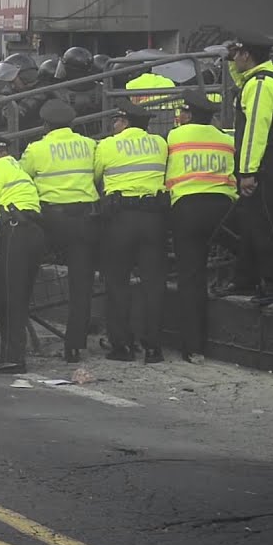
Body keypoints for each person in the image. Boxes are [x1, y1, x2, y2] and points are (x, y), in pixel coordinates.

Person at [20, 100, 99, 362]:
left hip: (50, 219)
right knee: (81, 283)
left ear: (45, 125)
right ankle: (75, 346)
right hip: (84, 218)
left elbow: (23, 177)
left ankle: (17, 335)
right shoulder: (89, 145)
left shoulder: (37, 148)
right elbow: (97, 174)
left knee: (25, 270)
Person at [94, 98, 169, 363]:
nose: (114, 124)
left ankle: (122, 346)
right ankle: (153, 348)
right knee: (154, 283)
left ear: (124, 122)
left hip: (119, 219)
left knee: (117, 283)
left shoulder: (107, 145)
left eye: (117, 120)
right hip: (154, 219)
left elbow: (96, 176)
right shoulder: (161, 143)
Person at [168, 90, 236, 362]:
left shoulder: (175, 137)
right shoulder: (226, 139)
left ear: (187, 114)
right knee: (243, 252)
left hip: (188, 209)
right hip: (223, 209)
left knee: (191, 277)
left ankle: (194, 347)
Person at [0, 135, 45, 374]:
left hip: (14, 231)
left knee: (9, 297)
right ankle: (11, 354)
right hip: (33, 230)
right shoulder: (16, 166)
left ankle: (12, 358)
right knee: (20, 296)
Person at [231, 31, 273, 304]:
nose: (234, 58)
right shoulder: (265, 78)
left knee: (263, 226)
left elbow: (256, 131)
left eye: (237, 53)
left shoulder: (260, 85)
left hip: (264, 166)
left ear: (247, 55)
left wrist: (247, 172)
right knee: (252, 224)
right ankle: (246, 279)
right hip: (268, 162)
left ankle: (271, 285)